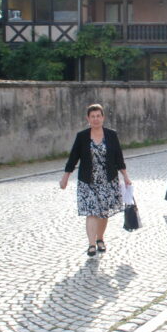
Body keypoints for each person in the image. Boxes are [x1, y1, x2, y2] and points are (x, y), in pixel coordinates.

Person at [60, 104, 132, 257]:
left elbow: (119, 157)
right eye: (92, 116)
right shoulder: (82, 136)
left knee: (103, 213)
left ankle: (100, 238)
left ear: (103, 117)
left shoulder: (111, 135)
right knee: (91, 212)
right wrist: (65, 177)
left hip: (108, 179)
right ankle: (91, 244)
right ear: (88, 119)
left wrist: (125, 176)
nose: (96, 119)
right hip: (88, 181)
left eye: (98, 116)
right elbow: (73, 158)